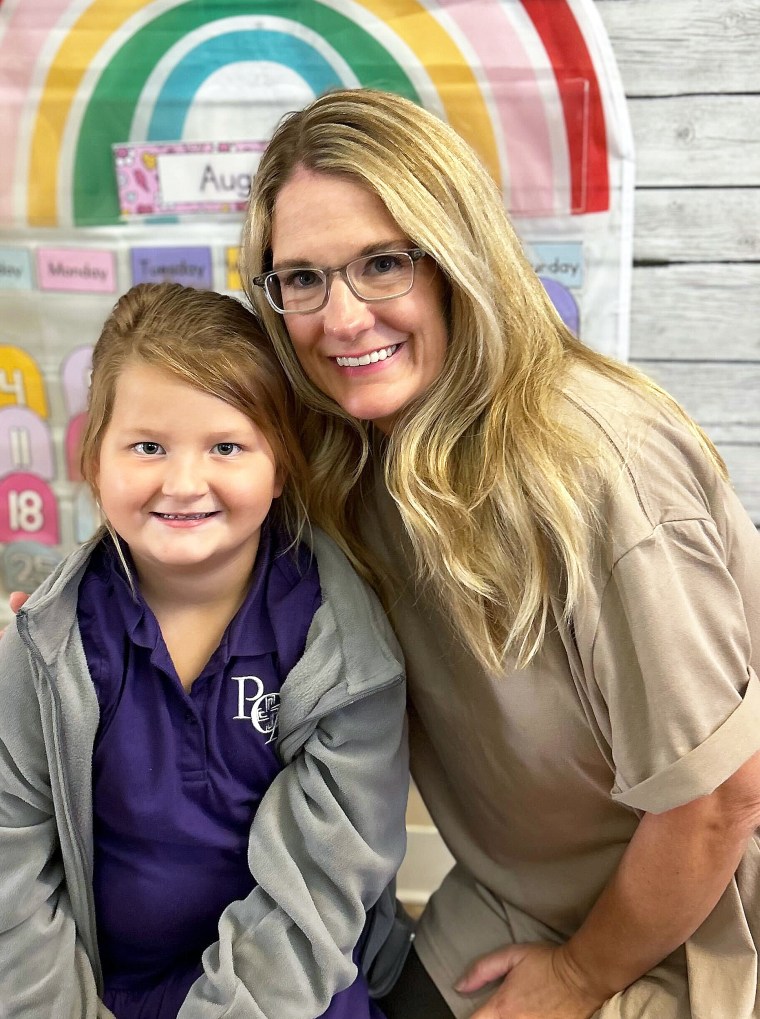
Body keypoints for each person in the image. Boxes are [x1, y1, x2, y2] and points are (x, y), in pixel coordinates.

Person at [235, 87, 760, 1019]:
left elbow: (720, 801)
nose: (343, 319)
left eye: (382, 264)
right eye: (303, 278)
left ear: (457, 261)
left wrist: (579, 977)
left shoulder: (601, 468)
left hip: (700, 911)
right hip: (519, 889)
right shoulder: (357, 450)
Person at [0, 281, 411, 1019]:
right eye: (148, 446)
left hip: (291, 993)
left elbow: (317, 896)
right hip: (97, 992)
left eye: (226, 446)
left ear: (280, 466)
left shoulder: (338, 652)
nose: (184, 483)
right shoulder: (45, 650)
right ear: (95, 462)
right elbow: (13, 875)